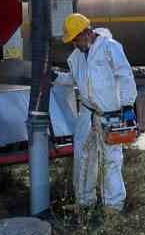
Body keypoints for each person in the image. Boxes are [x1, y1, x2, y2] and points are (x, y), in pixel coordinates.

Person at [59, 12, 138, 212]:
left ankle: (113, 206)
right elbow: (74, 80)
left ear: (87, 32)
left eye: (76, 39)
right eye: (72, 41)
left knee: (111, 159)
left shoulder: (110, 48)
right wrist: (55, 77)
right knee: (83, 156)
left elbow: (125, 75)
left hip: (111, 113)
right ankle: (84, 202)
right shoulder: (76, 56)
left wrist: (127, 106)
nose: (75, 44)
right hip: (87, 112)